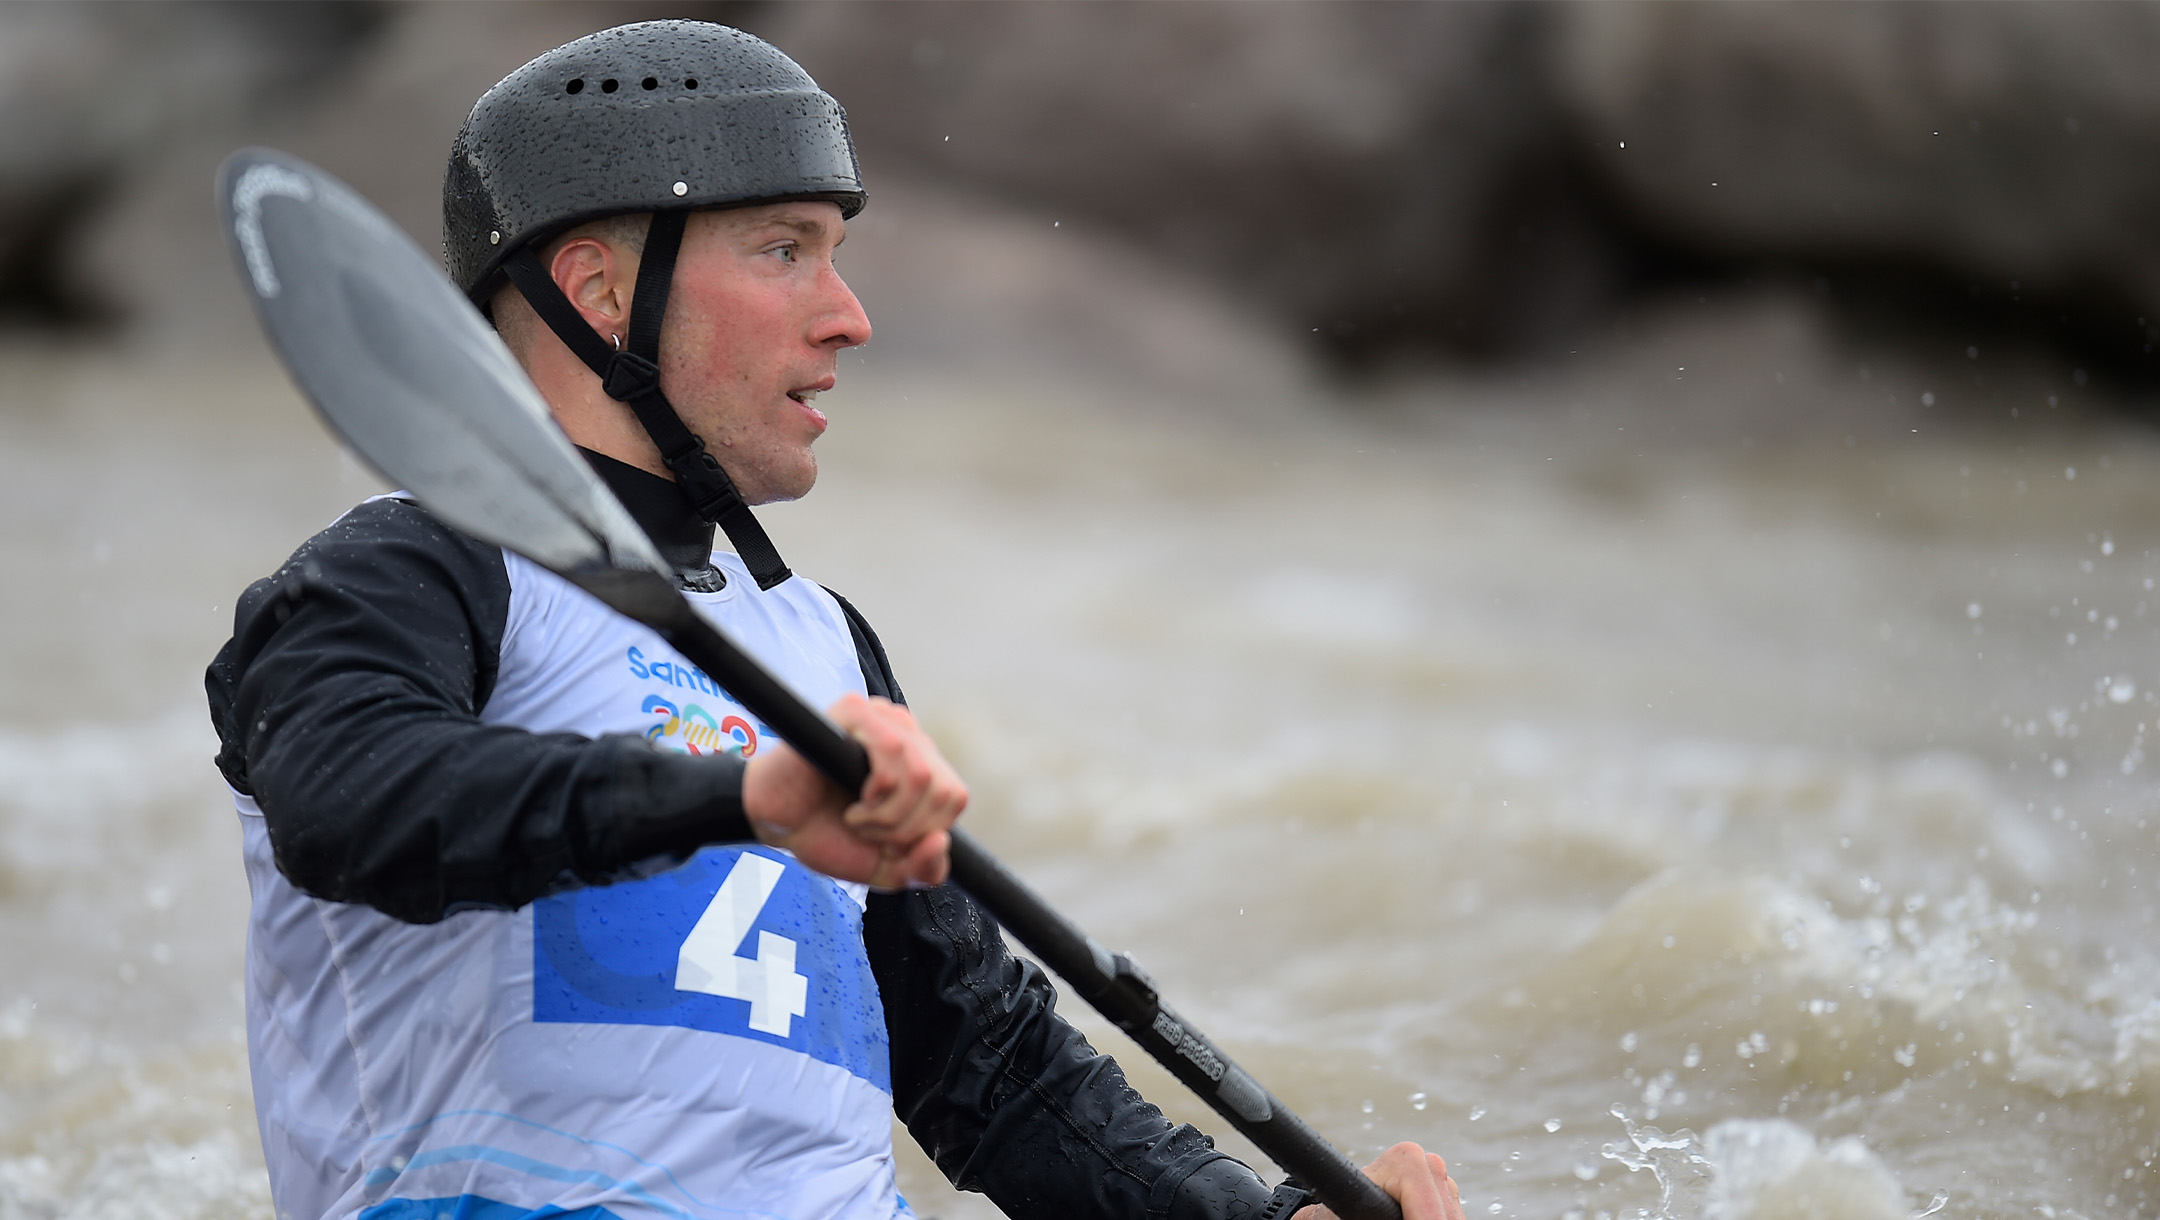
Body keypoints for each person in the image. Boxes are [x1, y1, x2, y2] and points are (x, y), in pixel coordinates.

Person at [206, 20, 1465, 1220]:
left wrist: (1266, 1211)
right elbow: (350, 798)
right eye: (783, 249)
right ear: (597, 291)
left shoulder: (815, 639)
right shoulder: (405, 571)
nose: (848, 314)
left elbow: (990, 1064)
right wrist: (736, 797)